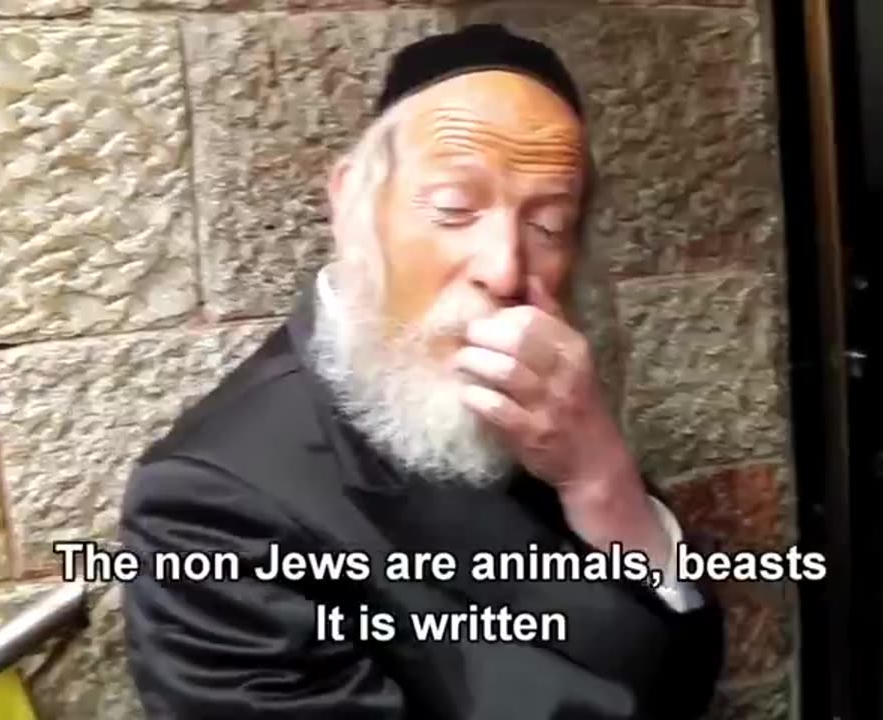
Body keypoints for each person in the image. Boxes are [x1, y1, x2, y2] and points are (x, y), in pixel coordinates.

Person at [120, 24, 724, 720]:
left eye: (550, 225)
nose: (505, 270)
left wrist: (603, 482)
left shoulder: (552, 400)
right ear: (351, 202)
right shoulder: (209, 505)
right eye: (453, 209)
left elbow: (685, 663)